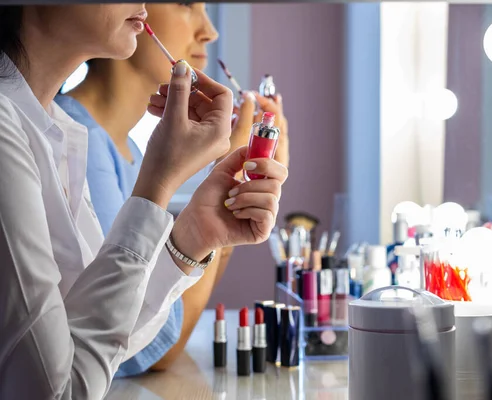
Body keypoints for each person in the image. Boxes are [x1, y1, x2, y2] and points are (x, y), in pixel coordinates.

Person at [0, 4, 287, 399]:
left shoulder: (58, 134)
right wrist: (158, 183)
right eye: (186, 3)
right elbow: (59, 390)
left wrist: (195, 235)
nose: (210, 32)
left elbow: (97, 340)